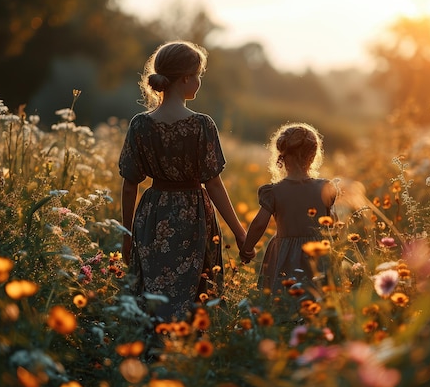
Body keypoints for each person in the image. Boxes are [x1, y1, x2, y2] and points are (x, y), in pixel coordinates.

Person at [119, 40, 252, 321]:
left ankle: (151, 350)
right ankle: (187, 351)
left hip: (152, 216)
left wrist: (126, 234)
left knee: (152, 289)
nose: (199, 81)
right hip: (194, 217)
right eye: (199, 75)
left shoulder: (140, 124)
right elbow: (213, 184)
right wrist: (240, 234)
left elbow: (130, 184)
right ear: (187, 78)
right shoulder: (202, 125)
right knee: (194, 291)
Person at [240, 122, 337, 295]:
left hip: (284, 254)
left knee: (283, 297)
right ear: (313, 156)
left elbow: (259, 224)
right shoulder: (325, 188)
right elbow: (332, 223)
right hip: (317, 254)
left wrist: (247, 249)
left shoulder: (274, 192)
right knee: (315, 296)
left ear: (281, 157)